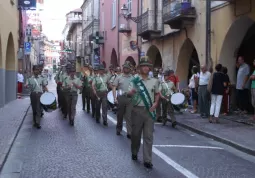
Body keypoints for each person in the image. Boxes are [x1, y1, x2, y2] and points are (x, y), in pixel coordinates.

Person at [128, 56, 159, 169]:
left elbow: (157, 94)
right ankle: (134, 151)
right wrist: (131, 92)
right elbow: (129, 93)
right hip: (137, 110)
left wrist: (156, 103)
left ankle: (147, 160)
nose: (146, 68)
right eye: (144, 66)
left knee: (148, 136)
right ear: (140, 67)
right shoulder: (135, 80)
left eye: (148, 66)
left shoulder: (154, 81)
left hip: (149, 111)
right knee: (135, 135)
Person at [112, 61, 133, 138]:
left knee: (129, 116)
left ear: (130, 69)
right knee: (120, 115)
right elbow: (114, 87)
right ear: (123, 69)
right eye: (125, 68)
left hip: (130, 99)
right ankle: (119, 129)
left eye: (127, 68)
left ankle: (129, 132)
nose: (126, 69)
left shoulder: (132, 78)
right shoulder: (119, 77)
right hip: (121, 98)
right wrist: (115, 98)